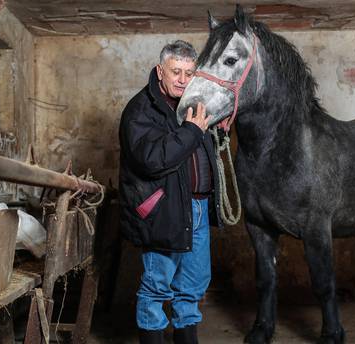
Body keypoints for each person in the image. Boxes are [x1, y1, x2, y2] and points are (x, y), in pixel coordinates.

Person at [119, 40, 223, 344]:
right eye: (175, 71)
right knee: (156, 287)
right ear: (159, 71)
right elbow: (152, 161)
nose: (182, 79)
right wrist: (192, 131)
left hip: (199, 208)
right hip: (165, 209)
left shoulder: (192, 105)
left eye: (189, 73)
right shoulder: (140, 110)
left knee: (192, 284)